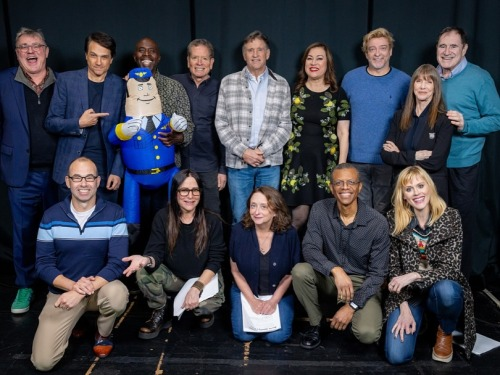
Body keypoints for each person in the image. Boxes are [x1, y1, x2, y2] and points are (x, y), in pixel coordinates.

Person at [31, 157, 129, 371]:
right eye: (77, 178)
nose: (83, 183)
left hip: (100, 289)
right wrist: (73, 288)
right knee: (42, 363)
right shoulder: (51, 215)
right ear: (67, 181)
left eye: (89, 177)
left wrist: (83, 291)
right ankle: (77, 320)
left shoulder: (115, 213)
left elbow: (117, 263)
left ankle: (102, 333)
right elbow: (43, 264)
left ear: (97, 181)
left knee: (117, 296)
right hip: (64, 293)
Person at [292, 163, 390, 350]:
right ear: (331, 187)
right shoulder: (320, 209)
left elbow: (378, 275)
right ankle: (316, 323)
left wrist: (351, 306)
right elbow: (310, 249)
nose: (345, 187)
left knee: (367, 334)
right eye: (339, 183)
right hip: (330, 278)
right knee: (300, 271)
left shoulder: (377, 222)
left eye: (351, 182)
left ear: (359, 187)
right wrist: (335, 270)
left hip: (362, 283)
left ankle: (351, 315)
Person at [384, 166, 475, 364]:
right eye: (409, 189)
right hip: (409, 294)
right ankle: (420, 318)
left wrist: (415, 275)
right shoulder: (393, 219)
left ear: (430, 187)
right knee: (396, 356)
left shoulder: (451, 217)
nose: (416, 193)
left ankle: (445, 330)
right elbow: (393, 271)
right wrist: (404, 308)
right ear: (403, 196)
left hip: (440, 289)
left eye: (420, 185)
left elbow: (450, 268)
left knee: (448, 292)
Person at [122, 169, 226, 339]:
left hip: (204, 280)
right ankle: (161, 309)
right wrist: (145, 259)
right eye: (184, 190)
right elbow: (156, 252)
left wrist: (196, 288)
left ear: (201, 192)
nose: (190, 196)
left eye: (195, 190)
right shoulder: (163, 217)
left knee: (203, 309)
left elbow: (216, 260)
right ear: (175, 192)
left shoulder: (212, 220)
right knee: (143, 272)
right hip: (175, 278)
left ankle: (198, 306)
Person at [0, 27, 58, 314]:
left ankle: (56, 285)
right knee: (24, 233)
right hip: (21, 174)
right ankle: (24, 285)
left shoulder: (64, 82)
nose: (30, 50)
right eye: (24, 46)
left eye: (36, 45)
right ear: (17, 53)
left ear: (46, 51)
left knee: (57, 232)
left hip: (58, 173)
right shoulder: (3, 82)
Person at [435, 26, 500, 277]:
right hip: (433, 164)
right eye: (442, 46)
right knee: (433, 222)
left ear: (464, 49)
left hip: (463, 163)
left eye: (453, 46)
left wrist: (467, 124)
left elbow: (496, 118)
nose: (447, 51)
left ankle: (459, 280)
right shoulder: (431, 76)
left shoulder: (479, 77)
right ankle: (435, 279)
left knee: (459, 223)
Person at [215, 30, 292, 223]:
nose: (255, 54)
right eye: (250, 50)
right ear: (244, 55)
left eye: (260, 50)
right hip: (238, 163)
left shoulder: (281, 84)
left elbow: (285, 126)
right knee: (240, 217)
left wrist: (261, 151)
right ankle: (239, 255)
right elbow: (221, 124)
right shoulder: (228, 82)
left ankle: (266, 254)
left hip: (269, 163)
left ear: (268, 54)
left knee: (269, 216)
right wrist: (244, 152)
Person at [129, 37, 195, 248]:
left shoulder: (174, 88)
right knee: (135, 230)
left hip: (167, 173)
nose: (146, 55)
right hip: (134, 174)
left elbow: (189, 126)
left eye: (151, 51)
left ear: (159, 57)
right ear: (134, 56)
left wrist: (180, 137)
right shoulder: (124, 87)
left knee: (166, 226)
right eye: (141, 50)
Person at [45, 31, 126, 203]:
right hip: (70, 168)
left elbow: (124, 134)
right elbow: (51, 122)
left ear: (111, 59)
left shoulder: (120, 86)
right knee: (69, 226)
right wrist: (79, 123)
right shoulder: (66, 81)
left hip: (105, 170)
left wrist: (117, 171)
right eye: (93, 55)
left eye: (104, 57)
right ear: (86, 56)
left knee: (104, 226)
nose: (98, 62)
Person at [281, 42, 350, 232]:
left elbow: (343, 132)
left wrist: (341, 167)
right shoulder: (293, 91)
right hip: (296, 163)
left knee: (325, 220)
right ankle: (289, 260)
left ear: (327, 64)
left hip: (325, 164)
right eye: (310, 58)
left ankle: (322, 261)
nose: (314, 63)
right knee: (298, 217)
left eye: (319, 58)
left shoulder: (337, 94)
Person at [342, 27, 410, 215]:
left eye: (382, 48)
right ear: (366, 53)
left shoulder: (404, 81)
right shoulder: (350, 79)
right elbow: (341, 119)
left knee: (383, 213)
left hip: (387, 161)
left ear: (390, 51)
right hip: (356, 160)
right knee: (359, 214)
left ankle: (380, 246)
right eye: (372, 49)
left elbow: (411, 120)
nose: (377, 53)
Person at [229, 186, 300, 343]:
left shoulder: (289, 234)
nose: (256, 211)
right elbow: (235, 271)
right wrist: (253, 301)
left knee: (277, 337)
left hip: (277, 292)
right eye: (253, 206)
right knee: (243, 335)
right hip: (247, 291)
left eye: (263, 206)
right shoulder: (238, 231)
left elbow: (290, 274)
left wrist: (273, 301)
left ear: (275, 210)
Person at [381, 64, 453, 202]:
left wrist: (400, 156)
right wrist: (415, 156)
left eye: (428, 82)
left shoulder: (444, 120)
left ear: (435, 87)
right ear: (413, 85)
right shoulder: (399, 116)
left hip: (432, 188)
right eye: (418, 81)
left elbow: (436, 162)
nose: (422, 86)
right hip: (403, 187)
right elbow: (386, 154)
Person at [171, 39, 226, 214]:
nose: (199, 63)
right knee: (179, 213)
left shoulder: (221, 88)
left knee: (212, 214)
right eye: (195, 58)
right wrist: (130, 79)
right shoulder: (174, 83)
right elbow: (147, 86)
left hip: (210, 165)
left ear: (212, 62)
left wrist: (222, 169)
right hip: (179, 163)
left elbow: (225, 130)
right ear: (188, 61)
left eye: (204, 58)